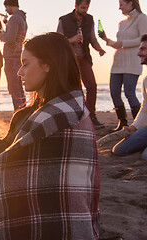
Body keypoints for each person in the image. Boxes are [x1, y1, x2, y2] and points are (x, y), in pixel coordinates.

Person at [0, 32, 100, 239]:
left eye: (25, 64)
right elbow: (13, 158)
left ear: (47, 65)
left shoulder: (48, 117)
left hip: (41, 213)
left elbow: (7, 166)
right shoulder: (72, 107)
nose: (19, 72)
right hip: (65, 211)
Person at [57, 0, 106, 128]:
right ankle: (73, 117)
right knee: (73, 89)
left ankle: (91, 117)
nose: (85, 10)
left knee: (92, 86)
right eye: (83, 8)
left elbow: (93, 38)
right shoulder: (64, 20)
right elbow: (57, 41)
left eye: (87, 8)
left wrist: (99, 49)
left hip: (84, 58)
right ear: (76, 6)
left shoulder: (89, 19)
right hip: (69, 60)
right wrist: (71, 40)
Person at [99, 0, 147, 131]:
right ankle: (122, 122)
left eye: (121, 4)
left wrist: (123, 43)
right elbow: (118, 43)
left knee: (129, 93)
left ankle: (140, 125)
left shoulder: (142, 19)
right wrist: (106, 39)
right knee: (114, 92)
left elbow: (144, 39)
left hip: (133, 61)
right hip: (118, 62)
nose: (119, 7)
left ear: (131, 3)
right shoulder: (122, 23)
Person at [112, 34, 147, 160]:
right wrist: (133, 127)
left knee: (145, 156)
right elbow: (144, 109)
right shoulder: (145, 81)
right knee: (120, 149)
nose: (138, 53)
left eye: (143, 49)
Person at [0, 0, 27, 111]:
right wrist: (7, 24)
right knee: (19, 87)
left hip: (11, 56)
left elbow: (10, 39)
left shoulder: (14, 19)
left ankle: (19, 112)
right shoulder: (22, 18)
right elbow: (16, 34)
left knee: (13, 87)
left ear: (10, 5)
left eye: (6, 7)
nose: (5, 10)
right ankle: (23, 111)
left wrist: (1, 36)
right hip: (18, 54)